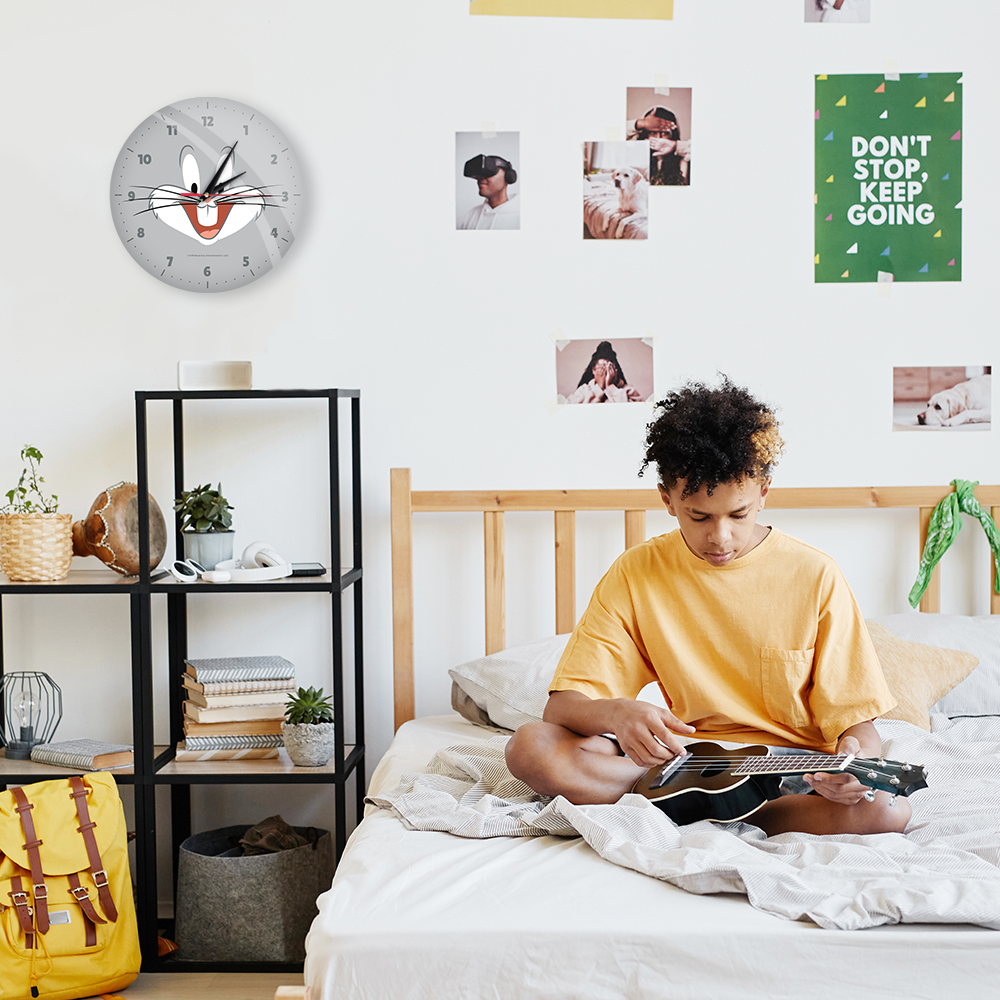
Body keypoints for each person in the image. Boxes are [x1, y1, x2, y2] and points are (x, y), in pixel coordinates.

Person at [505, 377, 910, 837]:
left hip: (789, 775)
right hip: (687, 765)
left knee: (887, 811)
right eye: (699, 516)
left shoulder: (815, 575)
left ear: (764, 492)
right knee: (530, 747)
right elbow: (563, 708)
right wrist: (618, 713)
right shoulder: (637, 573)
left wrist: (855, 763)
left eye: (738, 514)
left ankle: (707, 811)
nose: (720, 537)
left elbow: (859, 726)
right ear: (667, 499)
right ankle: (704, 803)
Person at [627, 105, 690, 186]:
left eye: (664, 133)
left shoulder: (684, 160)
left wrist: (675, 145)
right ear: (646, 135)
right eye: (652, 133)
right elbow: (614, 135)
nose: (658, 138)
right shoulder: (636, 158)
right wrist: (641, 123)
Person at [565, 341, 644, 403]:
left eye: (610, 368)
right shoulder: (583, 390)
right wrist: (599, 387)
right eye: (602, 368)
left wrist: (610, 387)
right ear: (593, 370)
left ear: (616, 371)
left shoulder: (629, 390)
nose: (606, 372)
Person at [458, 153, 519, 230]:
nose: (481, 178)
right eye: (480, 174)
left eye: (489, 172)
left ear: (508, 177)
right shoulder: (471, 215)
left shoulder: (521, 216)